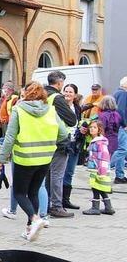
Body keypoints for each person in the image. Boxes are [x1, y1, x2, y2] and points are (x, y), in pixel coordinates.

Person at [0, 82, 68, 242]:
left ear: (27, 94)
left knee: (19, 193)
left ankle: (34, 219)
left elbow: (9, 137)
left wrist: (1, 159)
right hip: (45, 158)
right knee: (33, 192)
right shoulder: (51, 110)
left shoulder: (19, 110)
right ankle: (30, 228)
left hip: (25, 158)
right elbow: (63, 133)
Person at [44, 71, 78, 218]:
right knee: (57, 175)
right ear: (59, 83)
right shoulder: (57, 98)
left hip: (44, 139)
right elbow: (72, 120)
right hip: (59, 140)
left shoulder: (42, 95)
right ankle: (57, 206)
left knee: (47, 175)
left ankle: (44, 204)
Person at [82, 121, 115, 215]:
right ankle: (108, 207)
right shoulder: (94, 141)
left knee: (96, 187)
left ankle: (95, 207)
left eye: (94, 127)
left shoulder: (99, 143)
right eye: (91, 127)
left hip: (98, 169)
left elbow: (104, 157)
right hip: (95, 168)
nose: (92, 129)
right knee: (99, 187)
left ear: (99, 130)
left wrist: (102, 171)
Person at [112, 76, 127, 184]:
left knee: (121, 149)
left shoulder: (116, 92)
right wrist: (125, 124)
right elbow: (121, 110)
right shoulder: (123, 93)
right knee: (122, 149)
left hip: (116, 126)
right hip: (120, 126)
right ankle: (106, 168)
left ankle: (120, 175)